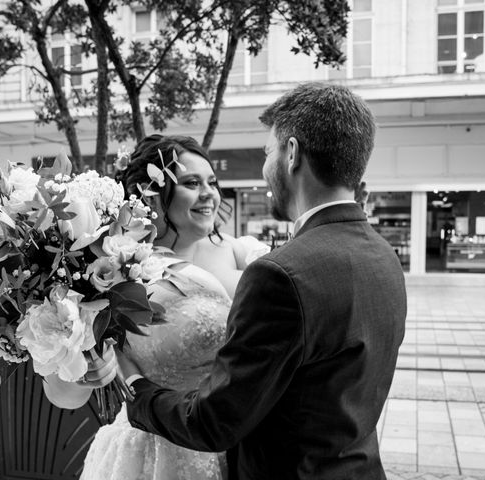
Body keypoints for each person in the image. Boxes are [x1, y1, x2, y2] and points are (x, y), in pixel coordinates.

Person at [120, 83, 407, 479]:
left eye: (268, 152)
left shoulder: (279, 275)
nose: (265, 166)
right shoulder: (384, 257)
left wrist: (134, 388)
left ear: (291, 154)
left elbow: (215, 422)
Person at [44, 134, 260, 480]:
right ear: (155, 195)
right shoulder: (115, 270)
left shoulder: (240, 252)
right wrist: (85, 374)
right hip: (154, 449)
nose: (209, 193)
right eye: (191, 182)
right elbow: (60, 393)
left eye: (212, 182)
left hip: (240, 443)